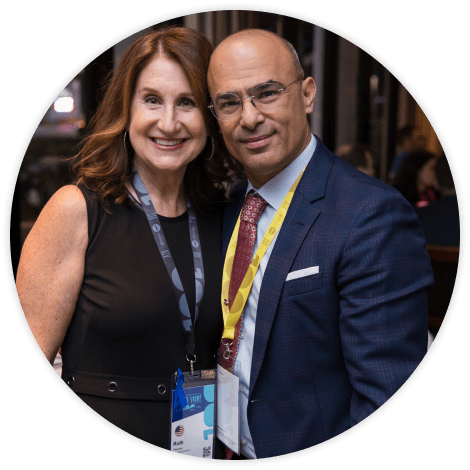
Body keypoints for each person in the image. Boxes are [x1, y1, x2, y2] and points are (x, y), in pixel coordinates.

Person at [207, 29, 434, 459]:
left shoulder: (370, 215)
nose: (249, 117)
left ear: (307, 94)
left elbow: (387, 400)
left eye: (267, 93)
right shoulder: (233, 205)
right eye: (229, 102)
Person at [16, 27, 228, 450]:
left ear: (209, 116)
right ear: (125, 109)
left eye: (187, 102)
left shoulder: (223, 216)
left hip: (197, 443)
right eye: (152, 100)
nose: (169, 123)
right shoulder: (76, 211)